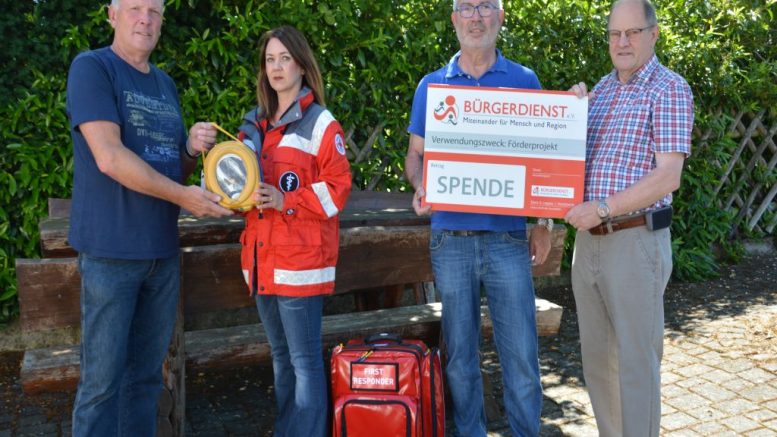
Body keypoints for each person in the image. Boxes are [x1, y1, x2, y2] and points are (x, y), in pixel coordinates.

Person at [65, 0, 233, 434]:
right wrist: (186, 198)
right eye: (135, 8)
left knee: (144, 382)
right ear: (112, 14)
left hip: (161, 254)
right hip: (111, 255)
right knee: (101, 387)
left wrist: (191, 151)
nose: (146, 19)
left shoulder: (165, 85)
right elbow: (110, 158)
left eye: (155, 11)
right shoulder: (92, 68)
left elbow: (169, 168)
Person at [404, 1, 551, 435]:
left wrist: (544, 224)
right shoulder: (431, 86)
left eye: (486, 5)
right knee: (461, 358)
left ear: (500, 18)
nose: (476, 15)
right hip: (450, 239)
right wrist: (419, 185)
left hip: (507, 240)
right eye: (466, 6)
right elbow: (415, 156)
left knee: (521, 355)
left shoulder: (526, 82)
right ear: (454, 20)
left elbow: (547, 162)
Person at [564, 0, 694, 435]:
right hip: (590, 247)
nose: (622, 42)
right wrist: (565, 116)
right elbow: (568, 163)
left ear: (653, 34)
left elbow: (667, 176)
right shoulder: (599, 92)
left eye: (632, 32)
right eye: (614, 34)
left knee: (636, 367)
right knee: (598, 366)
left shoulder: (669, 88)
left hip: (634, 243)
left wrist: (602, 209)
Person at [236, 26, 352, 437]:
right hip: (263, 263)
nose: (277, 67)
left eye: (285, 58)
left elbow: (337, 191)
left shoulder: (322, 124)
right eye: (270, 59)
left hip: (300, 265)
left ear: (302, 65)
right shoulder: (252, 122)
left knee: (303, 363)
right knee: (281, 357)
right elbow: (235, 180)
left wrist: (287, 199)